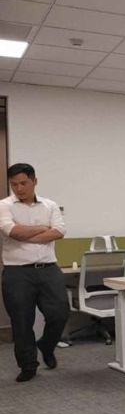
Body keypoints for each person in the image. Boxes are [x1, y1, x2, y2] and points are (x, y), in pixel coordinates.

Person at [0, 163, 69, 383]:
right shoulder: (4, 206)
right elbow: (12, 231)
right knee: (21, 321)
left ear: (34, 181)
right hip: (17, 272)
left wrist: (26, 233)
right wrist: (42, 228)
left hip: (49, 269)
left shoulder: (50, 205)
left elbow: (59, 231)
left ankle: (46, 345)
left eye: (23, 183)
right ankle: (28, 365)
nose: (19, 189)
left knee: (60, 313)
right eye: (14, 184)